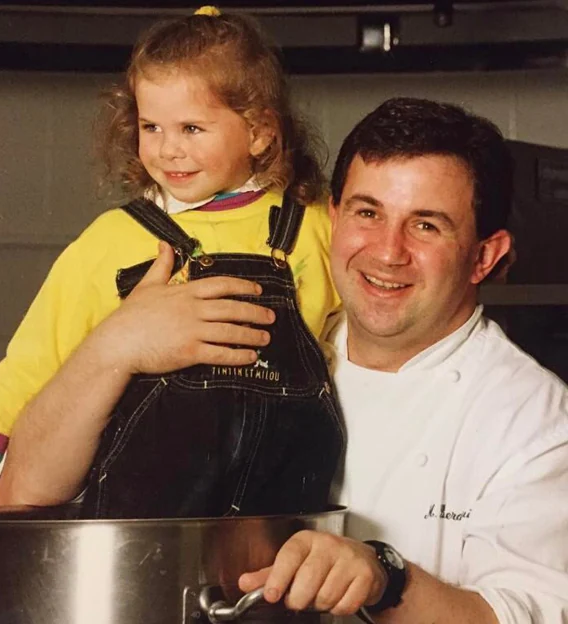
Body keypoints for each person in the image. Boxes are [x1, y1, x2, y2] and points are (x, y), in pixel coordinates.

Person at [0, 6, 344, 516]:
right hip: (140, 521)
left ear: (261, 131)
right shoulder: (113, 238)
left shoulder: (315, 225)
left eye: (192, 129)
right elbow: (34, 358)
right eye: (151, 126)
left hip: (282, 519)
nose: (168, 149)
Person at [238, 98, 568, 622]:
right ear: (334, 218)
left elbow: (528, 613)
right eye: (368, 213)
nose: (387, 252)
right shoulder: (268, 354)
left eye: (426, 226)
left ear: (484, 255)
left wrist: (385, 579)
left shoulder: (533, 421)